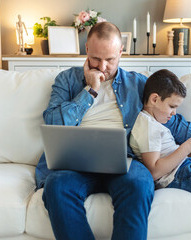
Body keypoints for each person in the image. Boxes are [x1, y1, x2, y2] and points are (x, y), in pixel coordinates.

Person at [35, 22, 154, 240]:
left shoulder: (138, 84)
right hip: (73, 163)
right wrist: (89, 91)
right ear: (87, 49)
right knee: (56, 187)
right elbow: (53, 123)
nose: (102, 67)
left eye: (110, 60)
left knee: (139, 184)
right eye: (97, 59)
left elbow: (171, 118)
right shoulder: (67, 80)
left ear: (121, 52)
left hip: (124, 160)